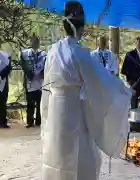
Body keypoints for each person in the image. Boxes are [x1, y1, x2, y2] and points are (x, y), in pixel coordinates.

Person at [40, 1, 131, 180]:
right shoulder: (79, 52)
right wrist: (123, 89)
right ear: (80, 28)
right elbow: (101, 80)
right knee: (80, 152)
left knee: (57, 148)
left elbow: (47, 81)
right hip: (73, 107)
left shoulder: (53, 50)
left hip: (55, 106)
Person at [20, 35, 46, 128]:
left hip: (40, 82)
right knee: (30, 103)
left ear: (39, 43)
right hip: (29, 82)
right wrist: (30, 74)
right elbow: (23, 65)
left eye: (37, 41)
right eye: (34, 41)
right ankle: (29, 121)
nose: (35, 43)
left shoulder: (44, 54)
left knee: (39, 103)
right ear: (30, 42)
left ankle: (39, 121)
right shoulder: (24, 54)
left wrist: (41, 74)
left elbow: (46, 66)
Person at [0, 51, 12, 128]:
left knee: (2, 103)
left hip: (3, 83)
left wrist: (1, 75)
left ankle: (2, 122)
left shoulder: (5, 56)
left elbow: (9, 68)